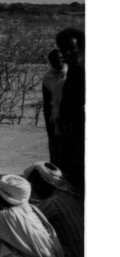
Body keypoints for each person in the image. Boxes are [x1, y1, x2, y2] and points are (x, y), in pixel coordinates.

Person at [23, 162, 84, 257]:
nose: (33, 189)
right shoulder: (67, 193)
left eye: (35, 184)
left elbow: (24, 226)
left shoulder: (52, 203)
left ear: (46, 183)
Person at [54, 27, 85, 195]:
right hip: (69, 129)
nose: (65, 54)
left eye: (70, 49)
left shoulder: (84, 72)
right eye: (62, 50)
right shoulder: (72, 71)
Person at [41, 49, 66, 166]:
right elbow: (47, 103)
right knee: (55, 144)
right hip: (55, 117)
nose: (59, 62)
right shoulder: (48, 79)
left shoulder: (72, 74)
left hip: (71, 115)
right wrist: (49, 122)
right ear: (50, 62)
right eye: (56, 59)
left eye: (61, 58)